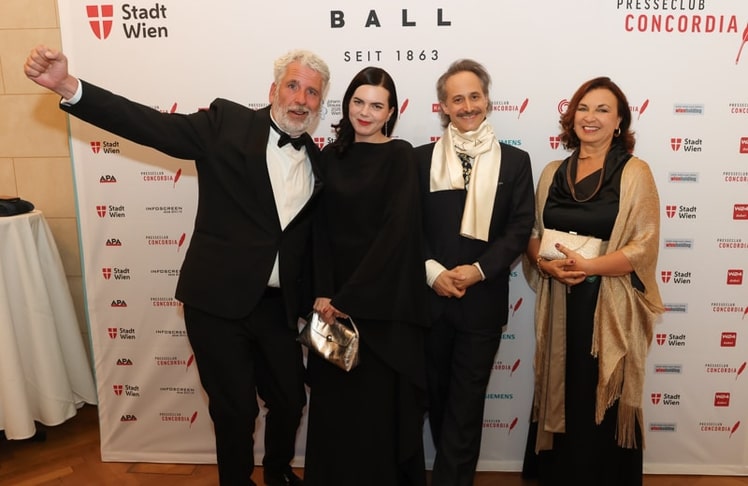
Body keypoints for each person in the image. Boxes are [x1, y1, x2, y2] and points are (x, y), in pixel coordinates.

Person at [24, 44, 331, 486]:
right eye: (293, 86)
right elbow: (150, 126)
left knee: (289, 401)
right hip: (216, 304)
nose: (301, 99)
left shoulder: (318, 163)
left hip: (276, 308)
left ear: (320, 103)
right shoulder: (226, 123)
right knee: (234, 411)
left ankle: (278, 471)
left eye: (312, 92)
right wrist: (70, 87)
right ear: (273, 90)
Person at [520, 76, 664, 485]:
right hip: (559, 305)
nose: (591, 117)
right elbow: (532, 233)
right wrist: (545, 265)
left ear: (619, 122)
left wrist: (590, 267)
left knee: (601, 392)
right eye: (583, 108)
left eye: (603, 110)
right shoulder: (552, 172)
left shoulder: (635, 173)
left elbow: (643, 246)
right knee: (561, 388)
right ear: (571, 116)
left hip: (608, 306)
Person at [304, 66, 429, 486]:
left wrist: (349, 298)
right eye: (358, 102)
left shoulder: (400, 156)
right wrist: (325, 294)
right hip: (331, 310)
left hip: (381, 311)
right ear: (346, 104)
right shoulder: (328, 157)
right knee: (335, 411)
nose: (365, 112)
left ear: (391, 112)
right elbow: (318, 231)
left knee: (375, 416)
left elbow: (397, 234)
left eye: (377, 106)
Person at [414, 59, 535, 486]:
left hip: (482, 303)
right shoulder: (420, 160)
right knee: (437, 399)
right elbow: (407, 227)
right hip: (429, 301)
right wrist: (433, 273)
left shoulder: (515, 162)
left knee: (466, 405)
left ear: (487, 100)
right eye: (457, 99)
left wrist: (479, 270)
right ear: (443, 107)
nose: (467, 106)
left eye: (474, 96)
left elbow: (520, 227)